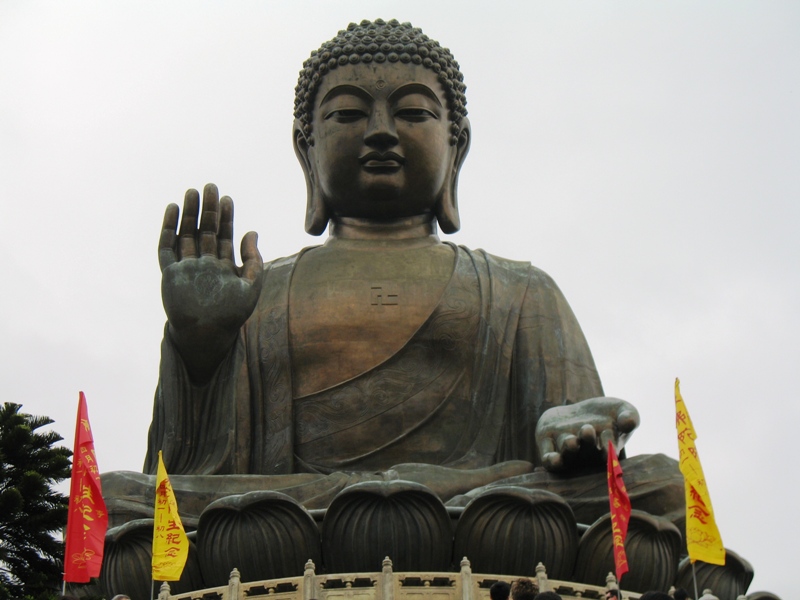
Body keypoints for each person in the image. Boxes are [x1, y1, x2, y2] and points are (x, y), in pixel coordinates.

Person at [103, 18, 684, 535]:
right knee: (114, 501)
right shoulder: (259, 295)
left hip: (480, 511)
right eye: (348, 114)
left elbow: (578, 446)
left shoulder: (520, 290)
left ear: (456, 146)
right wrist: (200, 350)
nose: (381, 130)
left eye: (412, 113)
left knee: (662, 487)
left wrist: (571, 426)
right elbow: (183, 473)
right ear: (306, 150)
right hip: (294, 518)